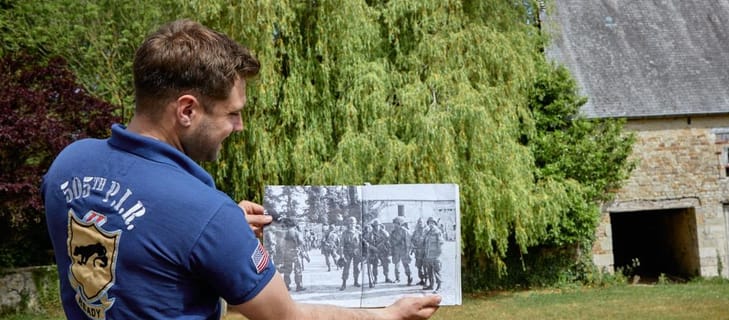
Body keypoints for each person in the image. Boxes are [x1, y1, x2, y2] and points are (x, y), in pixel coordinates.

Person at [41, 19, 440, 320]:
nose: (239, 127)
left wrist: (219, 232)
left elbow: (144, 245)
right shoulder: (204, 213)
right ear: (187, 110)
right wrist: (387, 315)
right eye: (232, 113)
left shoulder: (68, 165)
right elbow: (286, 316)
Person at [339, 216, 362, 291]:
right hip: (347, 252)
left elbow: (362, 244)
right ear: (348, 224)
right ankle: (344, 283)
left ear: (355, 224)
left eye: (353, 223)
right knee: (346, 267)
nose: (352, 225)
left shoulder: (358, 233)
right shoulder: (344, 233)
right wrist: (342, 255)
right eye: (350, 223)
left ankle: (356, 281)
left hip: (356, 252)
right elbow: (341, 244)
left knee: (357, 267)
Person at [422, 217, 444, 292]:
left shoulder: (438, 232)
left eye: (432, 223)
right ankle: (431, 285)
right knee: (429, 271)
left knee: (437, 271)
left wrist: (438, 255)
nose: (430, 224)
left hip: (435, 256)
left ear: (435, 223)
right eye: (429, 223)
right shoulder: (428, 232)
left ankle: (439, 286)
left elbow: (440, 244)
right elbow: (425, 243)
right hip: (428, 255)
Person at [390, 217, 413, 285]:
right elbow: (391, 241)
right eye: (394, 224)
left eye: (396, 223)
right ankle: (397, 278)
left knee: (405, 265)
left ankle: (409, 278)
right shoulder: (393, 232)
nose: (395, 225)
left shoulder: (405, 231)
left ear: (400, 224)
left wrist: (407, 252)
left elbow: (408, 242)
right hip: (396, 251)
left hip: (403, 251)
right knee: (396, 265)